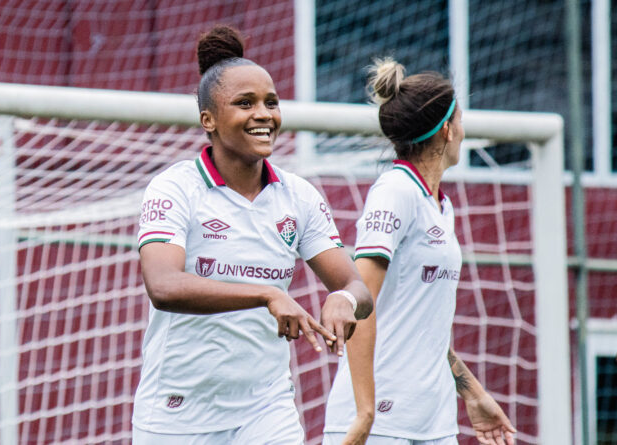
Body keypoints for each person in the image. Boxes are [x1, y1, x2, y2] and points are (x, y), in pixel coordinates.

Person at [132, 25, 373, 445]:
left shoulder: (298, 197)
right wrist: (266, 294)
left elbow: (356, 285)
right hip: (176, 413)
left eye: (271, 103)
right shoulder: (174, 188)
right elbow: (163, 286)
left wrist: (344, 298)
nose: (263, 114)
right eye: (245, 103)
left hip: (266, 410)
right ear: (208, 119)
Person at [322, 58, 517, 445]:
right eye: (460, 120)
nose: (463, 131)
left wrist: (473, 394)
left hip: (435, 422)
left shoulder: (441, 208)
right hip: (379, 424)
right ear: (447, 129)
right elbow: (361, 302)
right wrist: (364, 414)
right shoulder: (396, 191)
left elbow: (421, 327)